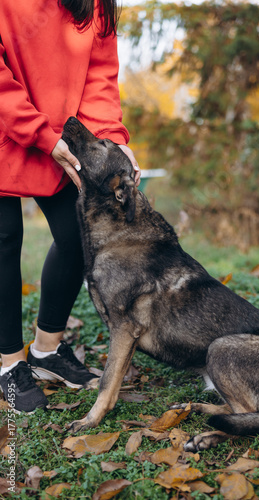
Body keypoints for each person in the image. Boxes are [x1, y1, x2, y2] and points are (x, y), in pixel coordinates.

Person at [0, 0, 140, 412]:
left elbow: (99, 79)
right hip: (13, 126)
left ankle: (46, 353)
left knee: (78, 234)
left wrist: (112, 139)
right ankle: (8, 365)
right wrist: (38, 132)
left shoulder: (94, 3)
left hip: (58, 140)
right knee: (5, 237)